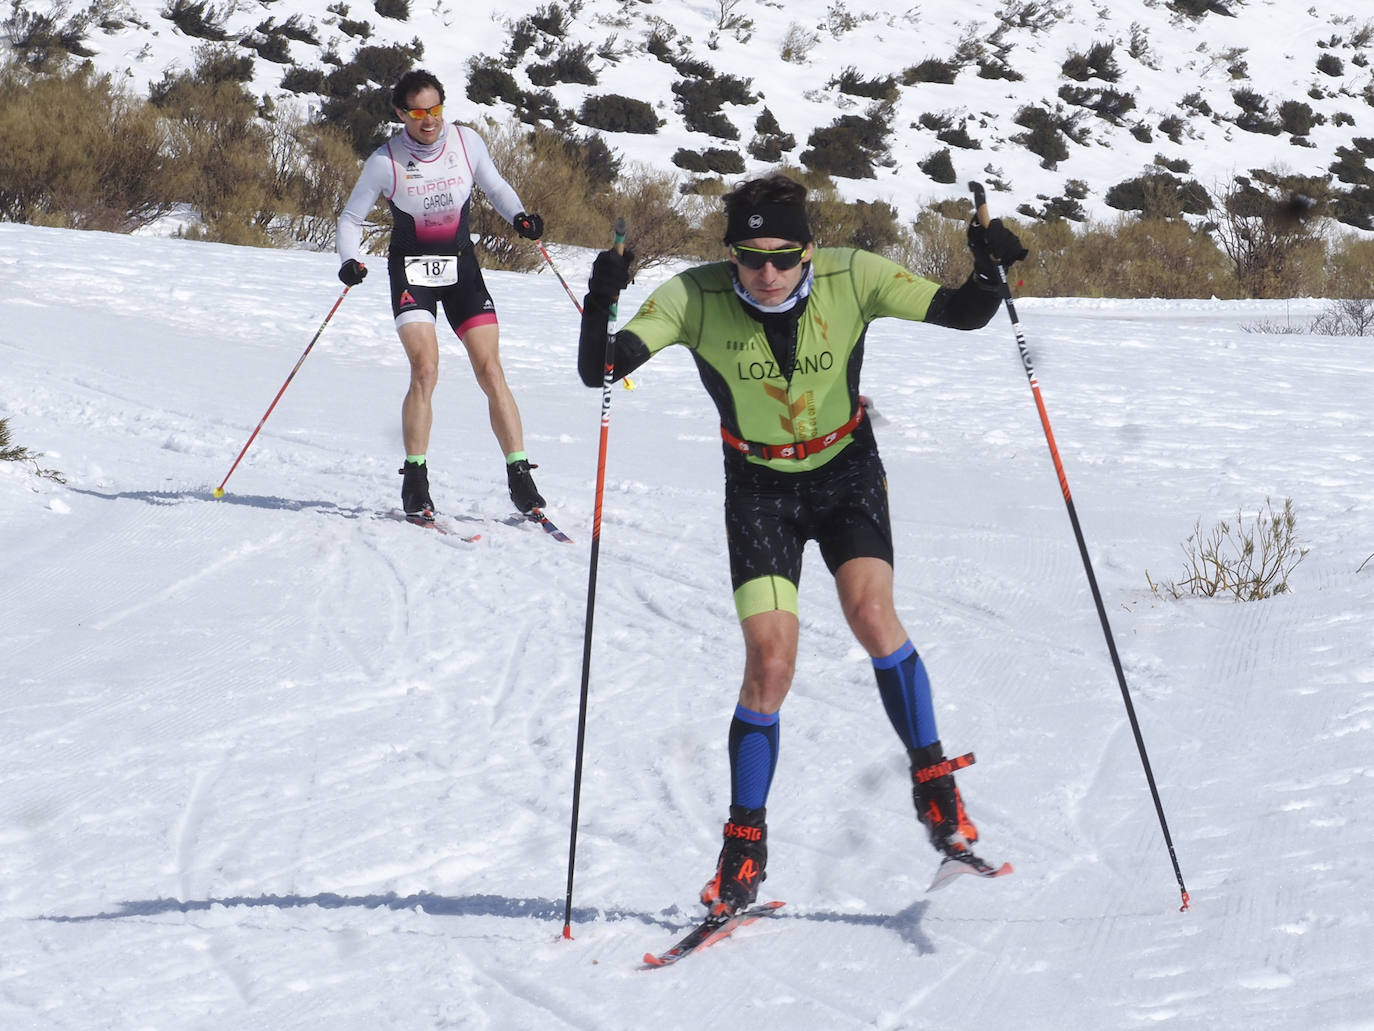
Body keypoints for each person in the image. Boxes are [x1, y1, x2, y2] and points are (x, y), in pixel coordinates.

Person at [576, 172, 1027, 916]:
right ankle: (743, 850)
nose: (768, 273)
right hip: (759, 487)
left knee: (871, 614)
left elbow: (968, 313)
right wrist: (602, 296)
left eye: (784, 256)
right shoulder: (695, 296)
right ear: (732, 255)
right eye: (750, 257)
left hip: (845, 470)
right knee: (771, 663)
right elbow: (603, 366)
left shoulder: (855, 275)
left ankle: (937, 789)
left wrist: (989, 267)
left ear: (810, 249)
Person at [337, 68, 547, 520]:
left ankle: (520, 476)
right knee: (425, 370)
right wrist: (348, 261)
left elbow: (494, 186)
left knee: (490, 370)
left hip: (461, 271)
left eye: (435, 109)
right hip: (412, 271)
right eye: (418, 112)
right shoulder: (384, 160)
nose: (429, 120)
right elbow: (350, 219)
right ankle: (415, 480)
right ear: (402, 113)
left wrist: (520, 217)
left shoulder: (466, 142)